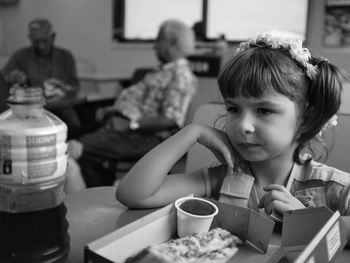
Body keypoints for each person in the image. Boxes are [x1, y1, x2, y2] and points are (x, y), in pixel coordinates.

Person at [115, 31, 350, 242]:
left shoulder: (334, 188)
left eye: (264, 110)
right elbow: (133, 194)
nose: (243, 126)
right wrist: (192, 132)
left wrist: (309, 222)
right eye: (233, 109)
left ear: (306, 119)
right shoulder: (223, 177)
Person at [68, 19, 197, 187]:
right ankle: (105, 186)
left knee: (77, 149)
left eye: (158, 40)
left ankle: (100, 194)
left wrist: (130, 125)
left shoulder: (181, 76)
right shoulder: (163, 70)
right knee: (68, 136)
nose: (154, 46)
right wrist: (112, 111)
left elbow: (171, 120)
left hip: (145, 136)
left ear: (171, 43)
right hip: (121, 126)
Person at [1, 18, 81, 138]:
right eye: (36, 41)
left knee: (76, 134)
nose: (41, 46)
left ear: (53, 37)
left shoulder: (65, 57)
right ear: (30, 39)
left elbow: (74, 87)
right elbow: (3, 76)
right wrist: (12, 77)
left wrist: (61, 89)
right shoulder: (21, 56)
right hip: (29, 112)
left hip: (61, 109)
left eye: (44, 41)